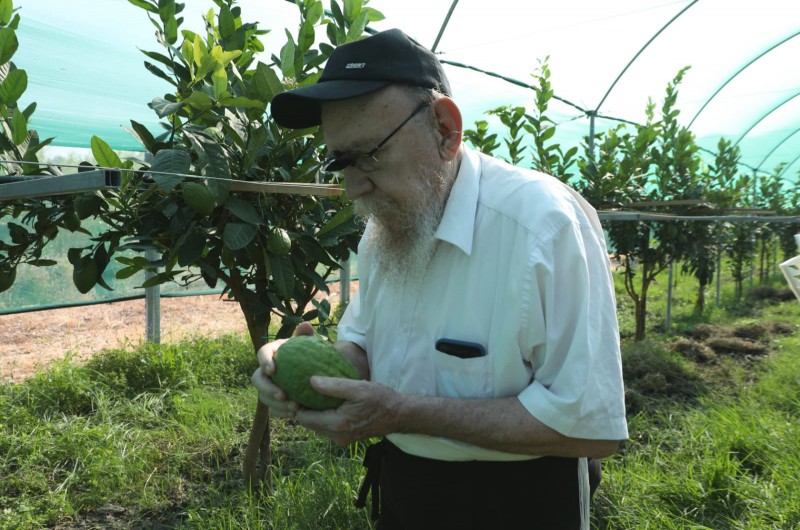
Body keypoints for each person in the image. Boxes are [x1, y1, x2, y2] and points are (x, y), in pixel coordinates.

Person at [253, 28, 628, 530]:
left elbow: (590, 428)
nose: (352, 187)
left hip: (520, 503)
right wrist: (305, 370)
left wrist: (403, 414)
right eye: (339, 160)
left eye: (367, 155)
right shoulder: (389, 228)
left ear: (445, 128)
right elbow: (366, 347)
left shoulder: (543, 226)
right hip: (405, 486)